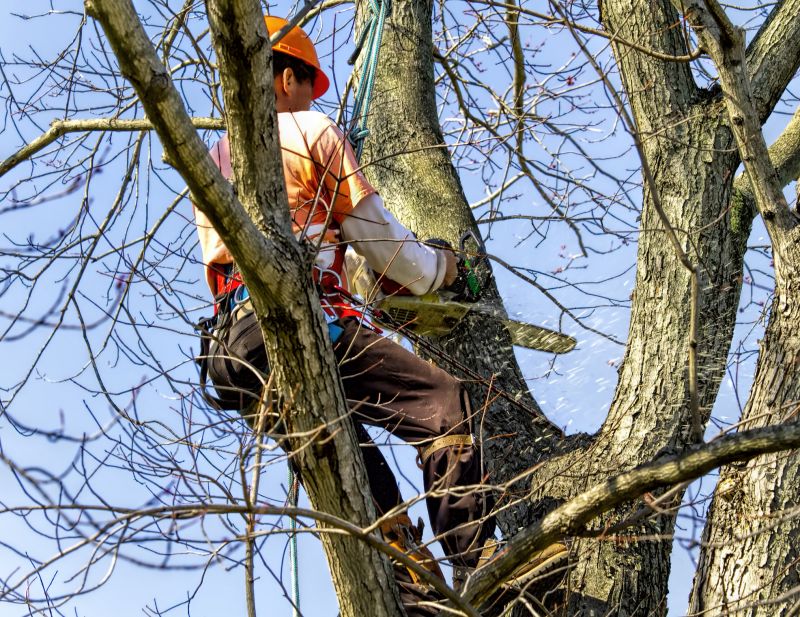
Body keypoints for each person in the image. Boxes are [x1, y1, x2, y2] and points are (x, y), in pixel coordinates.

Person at [194, 15, 563, 612]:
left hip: (234, 352)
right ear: (286, 77)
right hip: (298, 323)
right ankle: (476, 564)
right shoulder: (312, 130)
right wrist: (446, 268)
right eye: (306, 89)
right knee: (443, 407)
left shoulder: (214, 157)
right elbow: (398, 259)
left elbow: (305, 240)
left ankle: (409, 590)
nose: (311, 101)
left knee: (350, 458)